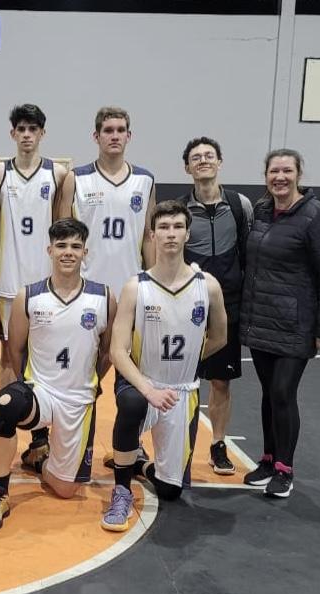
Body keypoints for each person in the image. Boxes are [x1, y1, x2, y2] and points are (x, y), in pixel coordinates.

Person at [0, 218, 115, 530]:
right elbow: (15, 349)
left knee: (66, 490)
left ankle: (41, 461)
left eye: (75, 246)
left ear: (85, 252)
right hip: (41, 392)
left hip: (78, 399)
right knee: (4, 403)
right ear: (49, 250)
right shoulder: (30, 295)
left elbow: (107, 352)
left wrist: (93, 383)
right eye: (62, 246)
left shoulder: (104, 297)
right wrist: (28, 384)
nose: (68, 252)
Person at [102, 200, 227, 532]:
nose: (170, 234)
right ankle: (121, 490)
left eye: (177, 227)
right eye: (163, 227)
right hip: (143, 383)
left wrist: (188, 363)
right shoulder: (136, 286)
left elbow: (219, 337)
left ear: (187, 233)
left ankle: (141, 465)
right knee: (130, 403)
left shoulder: (208, 286)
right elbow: (117, 351)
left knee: (171, 491)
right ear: (152, 235)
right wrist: (148, 388)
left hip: (182, 390)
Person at [240, 149, 320, 498]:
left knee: (284, 392)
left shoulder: (317, 216)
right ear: (265, 175)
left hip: (297, 324)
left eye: (287, 171)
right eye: (274, 171)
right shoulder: (262, 211)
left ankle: (285, 469)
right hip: (262, 320)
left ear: (299, 174)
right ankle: (269, 460)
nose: (280, 177)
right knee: (270, 394)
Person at [0, 104, 73, 470]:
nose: (26, 134)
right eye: (20, 128)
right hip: (8, 283)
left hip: (45, 285)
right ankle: (5, 424)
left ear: (42, 133)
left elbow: (63, 229)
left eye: (33, 129)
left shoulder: (58, 174)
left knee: (42, 355)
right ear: (12, 133)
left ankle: (41, 435)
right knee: (10, 356)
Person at [178, 136, 254, 475]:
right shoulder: (179, 210)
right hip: (188, 307)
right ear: (187, 167)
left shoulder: (240, 206)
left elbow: (249, 254)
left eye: (209, 156)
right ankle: (179, 442)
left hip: (229, 306)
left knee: (221, 382)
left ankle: (218, 444)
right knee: (180, 379)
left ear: (219, 162)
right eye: (197, 157)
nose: (203, 161)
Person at [73, 106, 156, 298]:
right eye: (108, 130)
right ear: (96, 136)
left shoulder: (145, 180)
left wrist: (153, 281)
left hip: (131, 284)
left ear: (129, 136)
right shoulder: (77, 178)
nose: (115, 136)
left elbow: (148, 235)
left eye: (121, 130)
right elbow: (64, 238)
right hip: (87, 286)